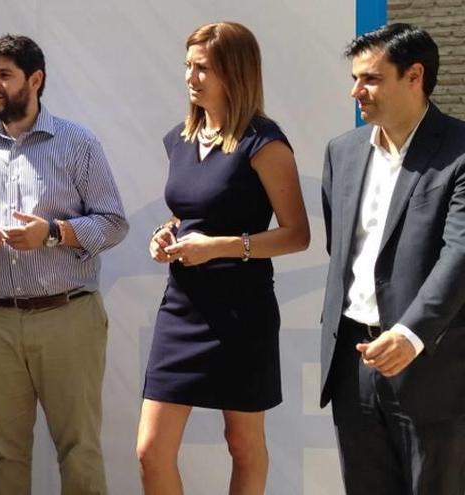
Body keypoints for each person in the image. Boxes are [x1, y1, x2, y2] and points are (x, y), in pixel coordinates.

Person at [0, 34, 128, 495]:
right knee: (4, 451)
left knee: (79, 449)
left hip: (68, 317)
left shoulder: (78, 143)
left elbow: (114, 223)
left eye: (3, 75)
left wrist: (55, 232)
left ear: (34, 80)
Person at [136, 22, 310, 495]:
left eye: (203, 68)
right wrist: (165, 233)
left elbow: (298, 236)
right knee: (151, 451)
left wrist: (218, 246)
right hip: (182, 307)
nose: (191, 78)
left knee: (242, 442)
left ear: (235, 73)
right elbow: (191, 209)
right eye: (188, 67)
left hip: (243, 310)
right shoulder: (180, 138)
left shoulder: (265, 143)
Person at [320, 23, 465, 494]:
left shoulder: (459, 153)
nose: (356, 91)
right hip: (352, 364)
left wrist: (410, 333)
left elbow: (460, 255)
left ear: (414, 76)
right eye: (355, 78)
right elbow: (342, 252)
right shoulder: (341, 153)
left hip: (431, 366)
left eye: (371, 78)